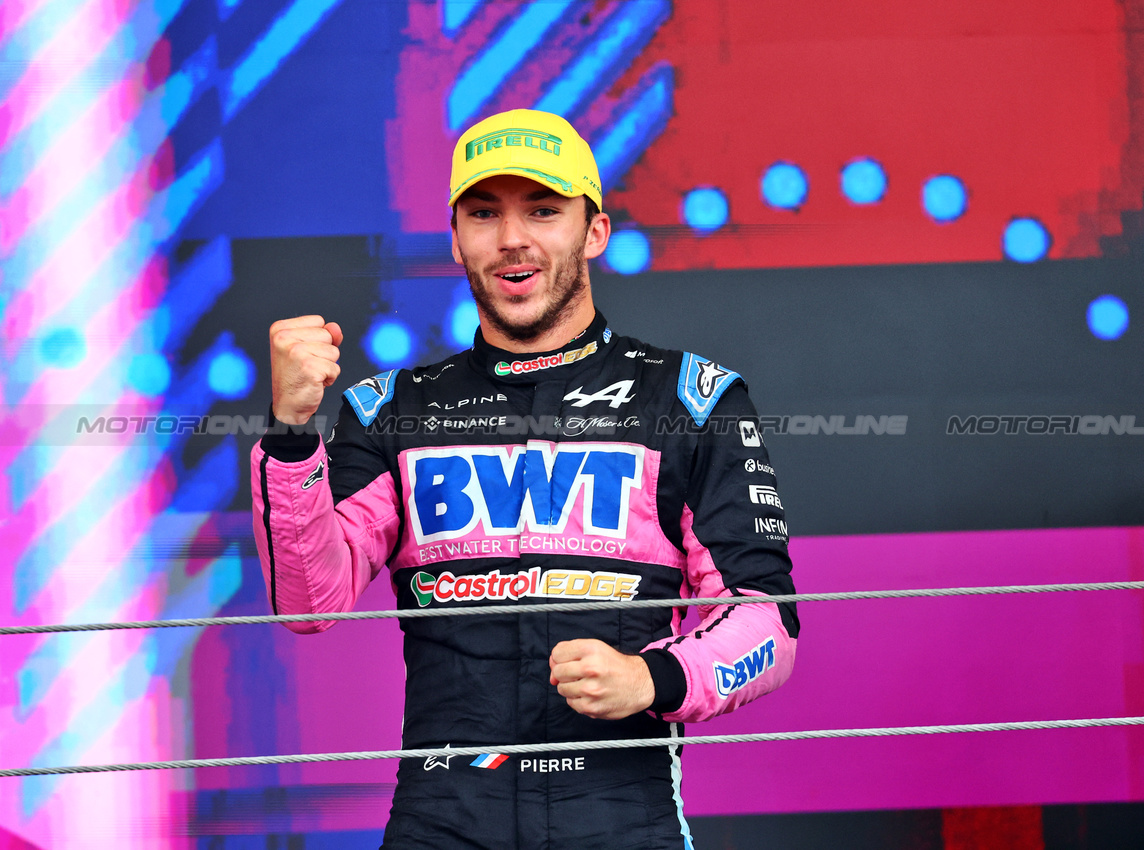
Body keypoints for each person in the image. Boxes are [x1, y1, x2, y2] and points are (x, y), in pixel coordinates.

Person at [250, 108, 799, 849]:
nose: (512, 238)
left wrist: (652, 680)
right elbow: (309, 600)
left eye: (543, 210)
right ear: (455, 240)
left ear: (593, 231)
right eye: (484, 214)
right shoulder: (389, 410)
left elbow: (768, 621)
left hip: (619, 819)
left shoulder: (691, 400)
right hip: (440, 819)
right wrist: (289, 431)